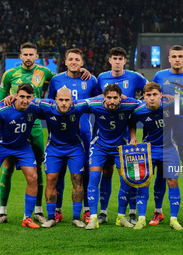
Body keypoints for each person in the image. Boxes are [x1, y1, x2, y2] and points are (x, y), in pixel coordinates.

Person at [0, 42, 90, 225]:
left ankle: (38, 211)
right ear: (20, 56)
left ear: (36, 56)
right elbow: (0, 104)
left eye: (32, 54)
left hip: (35, 124)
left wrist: (80, 70)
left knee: (36, 169)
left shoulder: (45, 73)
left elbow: (64, 81)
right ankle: (2, 212)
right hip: (13, 126)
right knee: (7, 168)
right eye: (25, 54)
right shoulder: (9, 74)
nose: (28, 57)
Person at [151, 45, 183, 225]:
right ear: (169, 59)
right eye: (174, 56)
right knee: (162, 171)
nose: (177, 59)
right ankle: (158, 211)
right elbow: (153, 95)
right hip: (164, 130)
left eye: (180, 56)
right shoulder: (160, 76)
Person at [47, 48, 101, 224]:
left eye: (77, 59)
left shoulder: (91, 80)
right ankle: (57, 210)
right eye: (70, 59)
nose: (74, 62)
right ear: (65, 61)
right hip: (60, 133)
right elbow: (49, 105)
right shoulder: (56, 80)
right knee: (58, 173)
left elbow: (100, 102)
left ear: (82, 62)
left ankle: (85, 210)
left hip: (84, 133)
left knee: (81, 173)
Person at [96, 47, 148, 224]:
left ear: (125, 61)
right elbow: (96, 99)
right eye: (114, 58)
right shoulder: (101, 78)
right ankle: (103, 212)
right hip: (104, 135)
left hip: (127, 135)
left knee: (129, 175)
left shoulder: (135, 77)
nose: (117, 61)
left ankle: (131, 212)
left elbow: (149, 91)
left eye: (120, 58)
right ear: (109, 60)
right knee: (106, 172)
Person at [0, 83, 42, 230]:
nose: (25, 100)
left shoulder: (34, 108)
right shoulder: (3, 108)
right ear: (15, 96)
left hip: (22, 146)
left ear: (33, 97)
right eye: (22, 96)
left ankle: (27, 218)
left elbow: (54, 107)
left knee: (33, 177)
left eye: (28, 97)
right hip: (1, 145)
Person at [129, 82, 183, 230]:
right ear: (144, 97)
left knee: (173, 181)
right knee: (144, 181)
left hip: (169, 148)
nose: (152, 98)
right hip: (148, 150)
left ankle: (174, 219)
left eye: (155, 95)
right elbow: (131, 123)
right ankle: (141, 218)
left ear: (161, 95)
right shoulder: (138, 111)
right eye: (149, 95)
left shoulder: (171, 105)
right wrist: (133, 136)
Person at [84, 84, 140, 230]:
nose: (112, 101)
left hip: (120, 147)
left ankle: (121, 217)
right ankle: (94, 218)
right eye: (109, 98)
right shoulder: (94, 104)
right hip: (99, 146)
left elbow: (149, 103)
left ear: (121, 98)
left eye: (115, 98)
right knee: (95, 177)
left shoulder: (130, 104)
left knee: (126, 179)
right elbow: (74, 104)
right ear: (104, 97)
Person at [39, 87, 91, 228]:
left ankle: (76, 217)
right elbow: (28, 100)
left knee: (77, 179)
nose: (63, 103)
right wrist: (10, 97)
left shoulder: (79, 107)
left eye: (66, 100)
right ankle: (51, 217)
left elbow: (98, 100)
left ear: (72, 101)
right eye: (60, 100)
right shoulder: (46, 106)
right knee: (51, 179)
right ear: (55, 100)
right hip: (53, 148)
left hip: (75, 148)